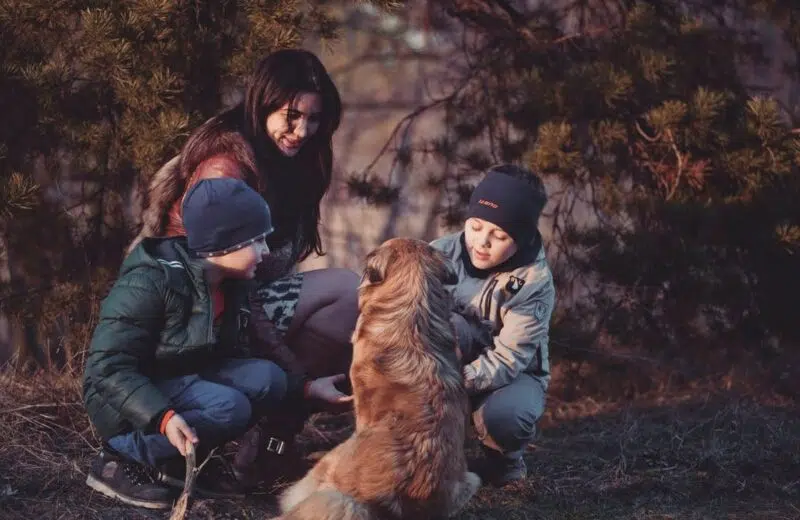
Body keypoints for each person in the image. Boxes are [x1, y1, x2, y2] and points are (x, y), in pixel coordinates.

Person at [128, 49, 359, 482]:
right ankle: (261, 442)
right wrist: (297, 377)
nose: (302, 131)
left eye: (313, 119)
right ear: (262, 103)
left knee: (353, 304)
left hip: (245, 301)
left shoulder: (295, 158)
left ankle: (271, 446)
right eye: (291, 115)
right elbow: (218, 286)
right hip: (199, 316)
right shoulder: (225, 167)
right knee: (347, 292)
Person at [84, 178, 292, 509]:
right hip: (125, 404)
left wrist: (305, 388)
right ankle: (116, 458)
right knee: (229, 407)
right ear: (224, 245)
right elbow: (106, 367)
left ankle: (179, 466)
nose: (266, 251)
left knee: (269, 380)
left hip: (181, 379)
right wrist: (162, 417)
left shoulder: (229, 282)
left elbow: (237, 354)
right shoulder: (150, 282)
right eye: (257, 241)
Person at [430, 164, 555, 487]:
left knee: (507, 417)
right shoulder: (439, 253)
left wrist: (450, 384)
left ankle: (505, 460)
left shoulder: (534, 282)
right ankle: (427, 454)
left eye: (499, 235)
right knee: (452, 325)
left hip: (510, 375)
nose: (481, 242)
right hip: (444, 362)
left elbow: (508, 359)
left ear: (522, 236)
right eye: (475, 226)